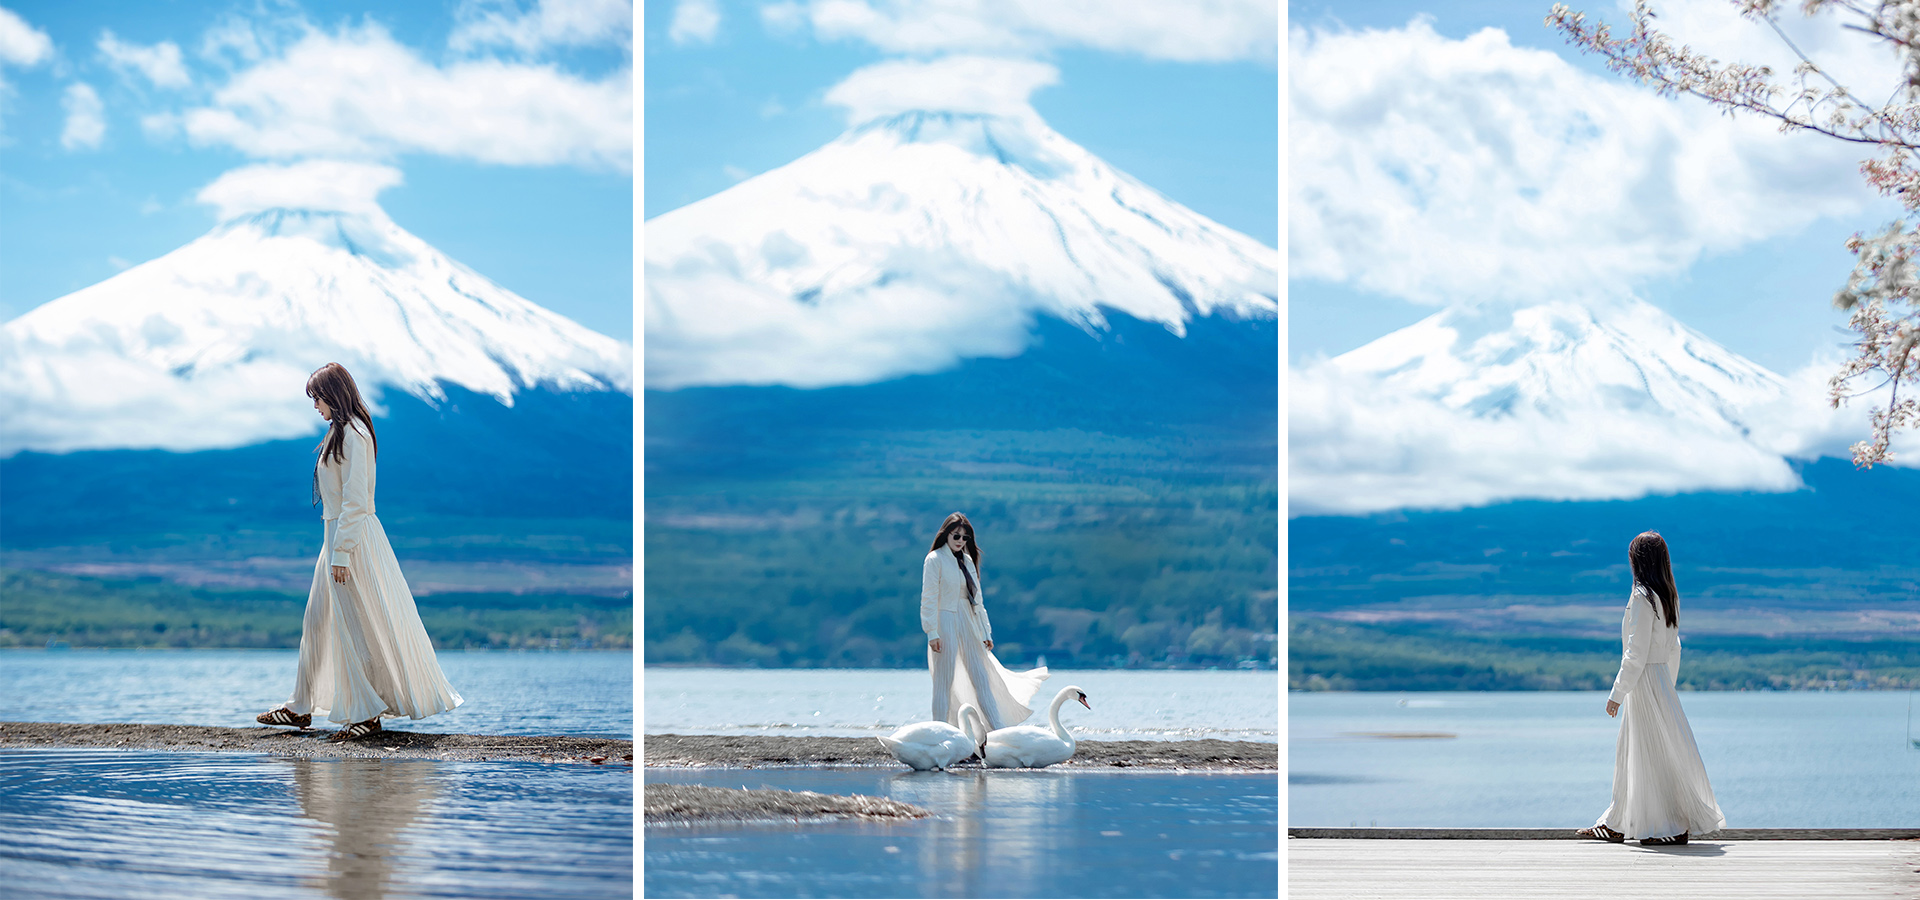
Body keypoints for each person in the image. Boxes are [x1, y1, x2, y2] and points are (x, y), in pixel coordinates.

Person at [256, 363, 463, 742]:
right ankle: (300, 705)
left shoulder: (355, 434)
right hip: (335, 538)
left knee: (356, 624)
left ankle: (367, 713)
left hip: (351, 543)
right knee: (316, 622)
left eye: (317, 398)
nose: (315, 405)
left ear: (333, 395)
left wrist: (342, 553)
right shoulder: (339, 432)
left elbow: (355, 500)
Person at [1577, 531, 1725, 846]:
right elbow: (1675, 647)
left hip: (1643, 683)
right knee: (1656, 755)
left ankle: (1654, 826)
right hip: (1659, 682)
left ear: (1638, 562)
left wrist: (1617, 693)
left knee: (1635, 754)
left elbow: (1635, 652)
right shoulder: (1669, 597)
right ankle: (1626, 823)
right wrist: (1666, 686)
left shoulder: (1642, 597)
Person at [921, 512, 1048, 732]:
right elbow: (928, 598)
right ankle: (939, 731)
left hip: (968, 621)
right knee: (943, 681)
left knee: (981, 677)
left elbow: (978, 602)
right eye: (956, 536)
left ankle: (998, 729)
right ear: (946, 534)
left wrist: (985, 632)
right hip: (944, 619)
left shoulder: (967, 561)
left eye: (965, 537)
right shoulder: (934, 559)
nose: (960, 541)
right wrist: (932, 632)